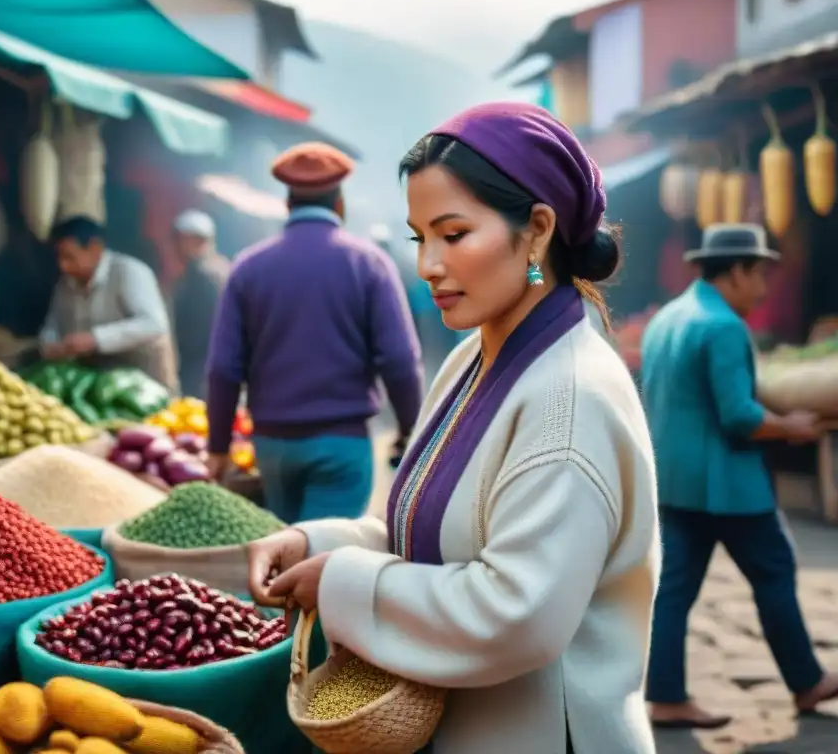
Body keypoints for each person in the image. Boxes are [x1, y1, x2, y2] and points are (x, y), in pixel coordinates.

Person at [246, 103, 660, 753]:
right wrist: (317, 543)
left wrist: (343, 581)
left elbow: (517, 614)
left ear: (537, 231)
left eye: (454, 234)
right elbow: (437, 535)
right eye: (420, 238)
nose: (428, 265)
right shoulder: (476, 355)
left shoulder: (569, 401)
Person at [642, 223, 837, 729]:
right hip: (729, 486)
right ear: (738, 272)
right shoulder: (724, 326)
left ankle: (664, 695)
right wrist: (789, 427)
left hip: (676, 482)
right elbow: (739, 416)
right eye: (760, 276)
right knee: (774, 571)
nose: (764, 288)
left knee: (673, 591)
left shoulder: (670, 316)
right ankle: (806, 680)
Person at [204, 142, 423, 523]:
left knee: (286, 553)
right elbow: (399, 360)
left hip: (272, 447)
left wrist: (219, 446)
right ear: (340, 204)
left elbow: (223, 368)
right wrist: (412, 430)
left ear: (287, 205)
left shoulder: (247, 267)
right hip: (342, 444)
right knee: (325, 560)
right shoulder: (369, 263)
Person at [39, 215, 179, 391]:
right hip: (98, 385)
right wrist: (50, 345)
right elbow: (53, 325)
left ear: (95, 248)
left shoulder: (128, 272)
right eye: (59, 258)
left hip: (145, 385)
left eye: (69, 257)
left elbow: (154, 325)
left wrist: (95, 339)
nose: (63, 266)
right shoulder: (65, 285)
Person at [171, 210, 230, 398]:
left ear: (195, 240)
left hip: (203, 365)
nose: (176, 247)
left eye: (180, 240)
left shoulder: (205, 273)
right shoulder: (220, 267)